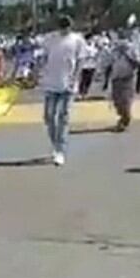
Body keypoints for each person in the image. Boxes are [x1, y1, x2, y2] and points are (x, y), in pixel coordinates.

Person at [40, 16, 87, 166]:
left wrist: (75, 77)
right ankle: (55, 144)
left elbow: (81, 60)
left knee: (63, 116)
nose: (64, 29)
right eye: (62, 26)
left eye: (67, 26)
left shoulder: (77, 40)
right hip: (51, 83)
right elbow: (43, 57)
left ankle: (60, 150)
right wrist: (39, 72)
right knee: (49, 117)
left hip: (68, 84)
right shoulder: (50, 39)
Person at [105, 31, 140, 132]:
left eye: (123, 39)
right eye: (120, 39)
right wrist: (106, 79)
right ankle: (122, 117)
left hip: (127, 78)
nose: (121, 42)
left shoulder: (132, 49)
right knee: (117, 101)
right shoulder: (114, 50)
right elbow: (109, 64)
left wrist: (127, 54)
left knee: (125, 100)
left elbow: (137, 62)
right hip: (116, 77)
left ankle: (125, 120)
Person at [78, 34, 99, 100]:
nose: (91, 40)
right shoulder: (84, 46)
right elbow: (82, 55)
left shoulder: (93, 46)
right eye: (90, 39)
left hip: (92, 65)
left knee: (89, 80)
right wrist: (88, 56)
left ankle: (86, 93)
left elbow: (96, 54)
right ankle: (80, 93)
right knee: (83, 79)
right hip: (85, 66)